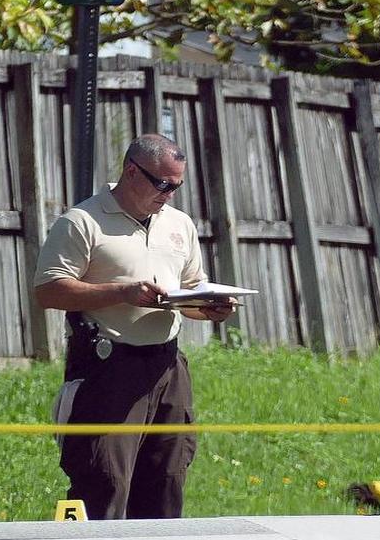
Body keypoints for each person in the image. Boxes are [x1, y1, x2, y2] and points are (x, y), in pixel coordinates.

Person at [34, 134, 236, 519]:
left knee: (168, 476)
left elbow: (191, 289)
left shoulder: (179, 225)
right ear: (131, 172)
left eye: (177, 186)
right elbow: (49, 291)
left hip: (168, 367)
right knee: (104, 479)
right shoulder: (82, 221)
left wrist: (208, 308)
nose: (169, 195)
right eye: (162, 184)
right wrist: (121, 292)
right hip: (108, 365)